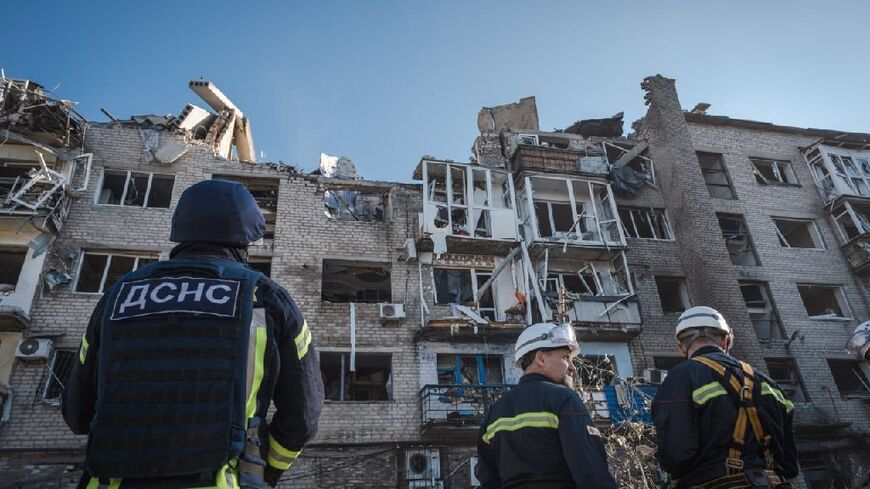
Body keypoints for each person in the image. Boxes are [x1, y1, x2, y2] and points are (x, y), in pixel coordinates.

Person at [63, 180, 324, 489]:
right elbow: (303, 413)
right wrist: (268, 470)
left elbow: (76, 413)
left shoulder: (119, 294)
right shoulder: (265, 297)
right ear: (247, 238)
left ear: (181, 229)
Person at [652, 306, 798, 489]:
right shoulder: (769, 383)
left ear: (681, 347)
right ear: (726, 340)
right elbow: (790, 464)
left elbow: (677, 455)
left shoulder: (680, 378)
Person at [476, 322, 616, 489]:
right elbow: (591, 471)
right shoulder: (564, 399)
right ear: (541, 358)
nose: (572, 367)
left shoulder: (494, 412)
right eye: (565, 357)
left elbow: (487, 478)